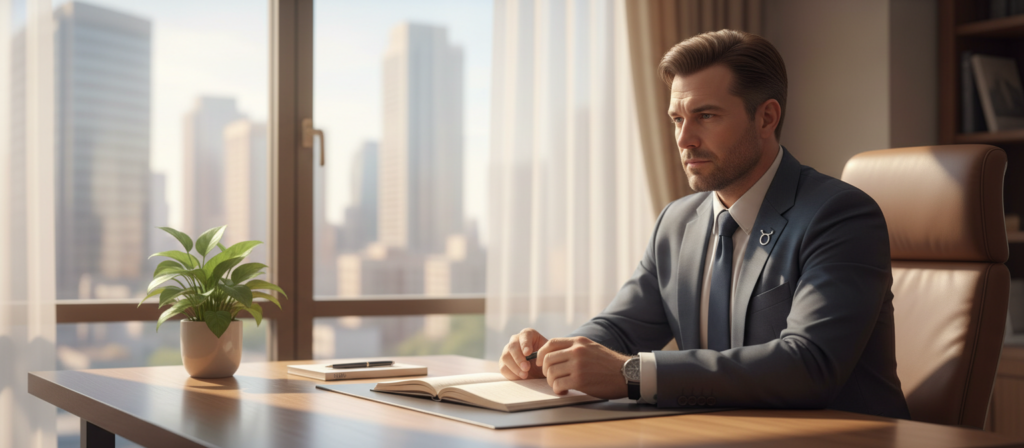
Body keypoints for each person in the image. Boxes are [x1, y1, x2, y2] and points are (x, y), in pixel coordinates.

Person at [498, 29, 911, 419]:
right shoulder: (675, 223)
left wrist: (634, 375)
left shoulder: (839, 216)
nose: (684, 139)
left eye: (706, 115)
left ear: (766, 118)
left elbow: (809, 364)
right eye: (677, 119)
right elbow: (620, 331)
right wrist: (555, 357)